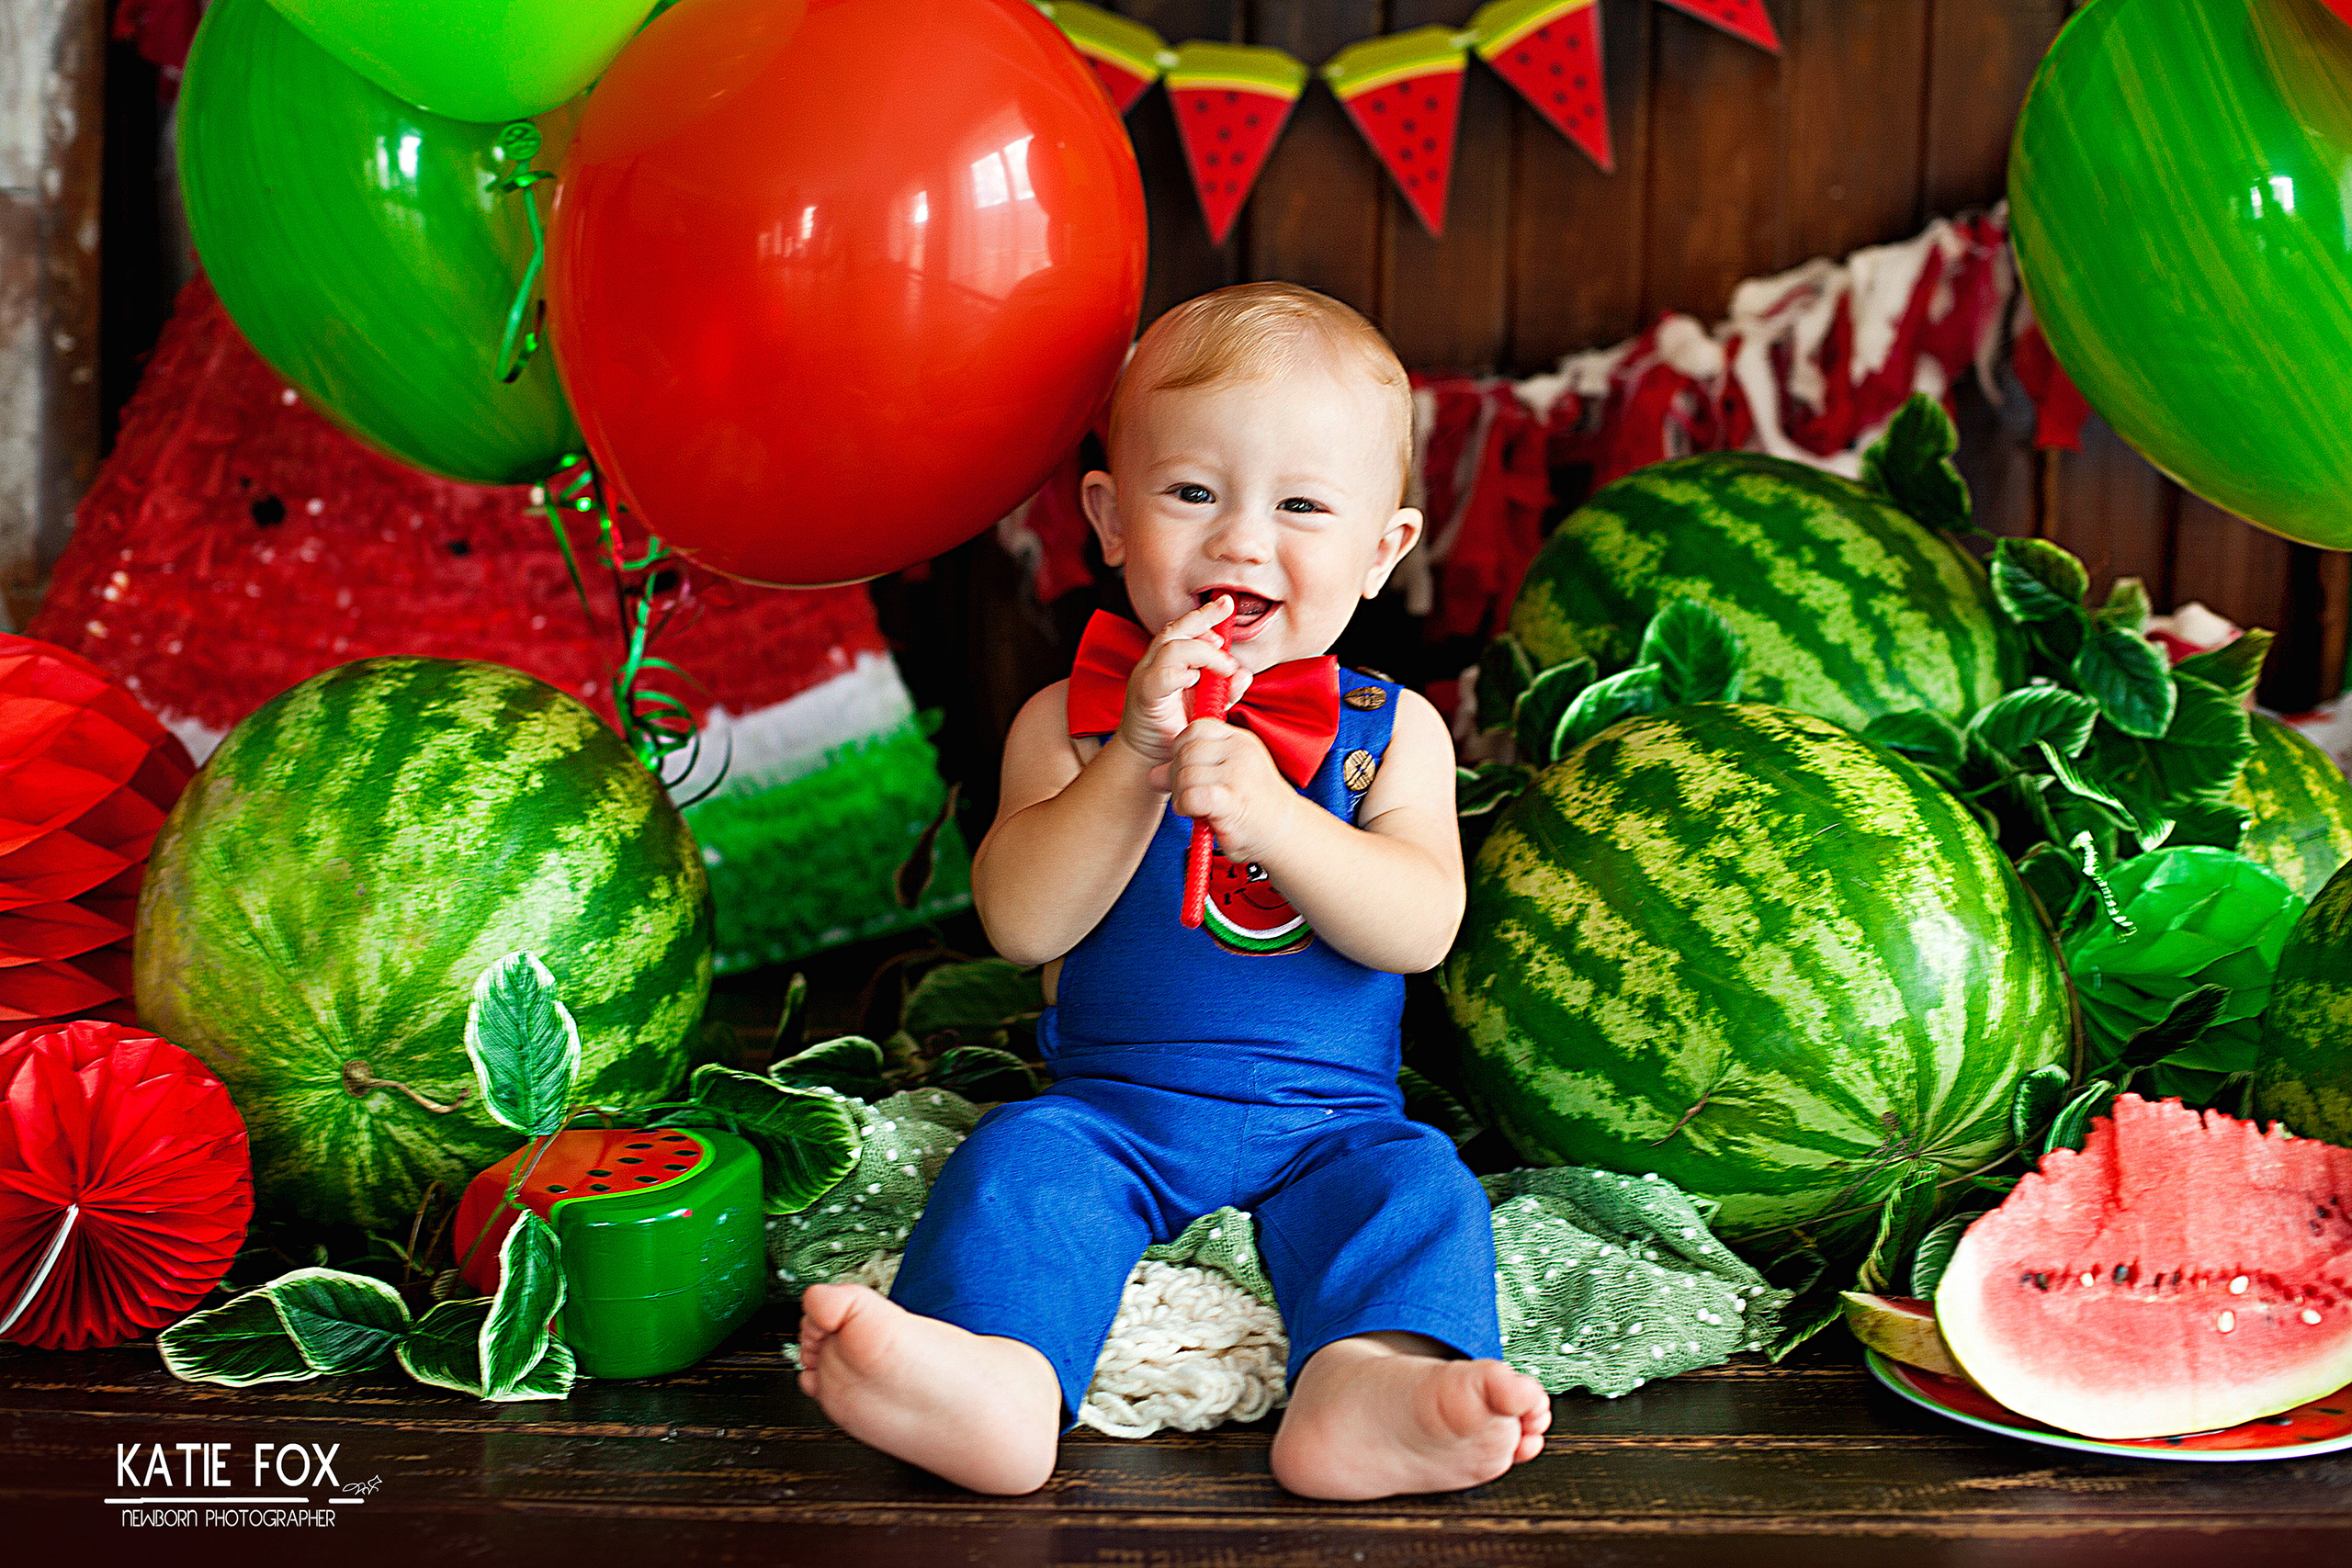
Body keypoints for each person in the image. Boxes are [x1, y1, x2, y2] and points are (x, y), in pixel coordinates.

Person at [796, 282, 1550, 1498]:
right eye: (1192, 493)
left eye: (1302, 506)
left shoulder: (1391, 734)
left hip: (1330, 1124)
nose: (1242, 541)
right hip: (1117, 1110)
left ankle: (1368, 1386)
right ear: (1108, 517)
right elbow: (1023, 922)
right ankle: (999, 1379)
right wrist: (1137, 760)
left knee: (1420, 1192)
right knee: (1021, 1167)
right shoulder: (1072, 723)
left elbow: (1419, 927)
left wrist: (1277, 819)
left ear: (1382, 550)